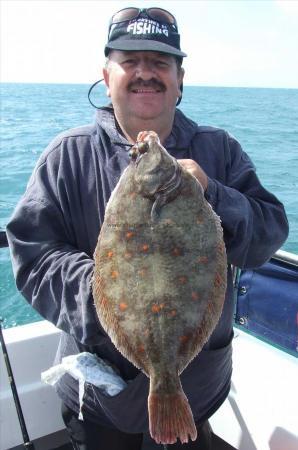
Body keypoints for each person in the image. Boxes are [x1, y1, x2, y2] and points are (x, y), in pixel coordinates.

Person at [7, 6, 288, 450]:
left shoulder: (221, 151)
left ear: (180, 79)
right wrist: (110, 296)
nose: (145, 74)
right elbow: (33, 256)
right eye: (130, 61)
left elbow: (270, 233)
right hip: (98, 398)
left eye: (160, 63)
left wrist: (213, 193)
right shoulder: (67, 156)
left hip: (195, 392)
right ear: (106, 74)